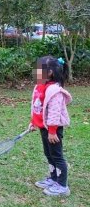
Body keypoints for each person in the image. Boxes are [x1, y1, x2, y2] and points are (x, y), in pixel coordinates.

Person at [28, 56, 72, 196]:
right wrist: (33, 122)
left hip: (53, 129)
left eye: (39, 70)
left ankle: (62, 185)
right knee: (48, 154)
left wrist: (52, 131)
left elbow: (54, 112)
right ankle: (53, 179)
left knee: (57, 156)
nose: (36, 72)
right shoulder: (39, 87)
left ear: (50, 72)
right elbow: (37, 107)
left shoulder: (54, 90)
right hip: (44, 128)